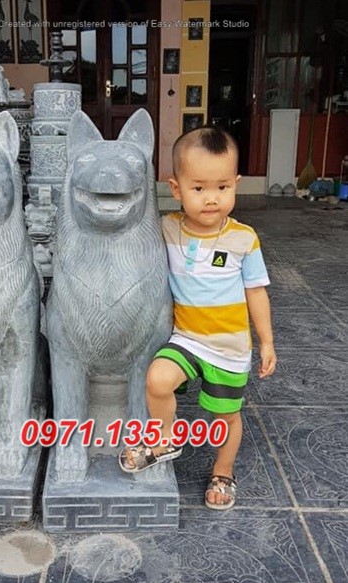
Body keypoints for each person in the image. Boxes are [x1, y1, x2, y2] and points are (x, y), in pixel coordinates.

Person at [119, 126, 277, 510]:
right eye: (199, 188)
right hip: (187, 338)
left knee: (225, 416)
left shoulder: (244, 239)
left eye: (222, 187)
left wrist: (267, 341)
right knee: (157, 380)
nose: (212, 198)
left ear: (236, 183)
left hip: (228, 348)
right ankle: (164, 440)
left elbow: (256, 292)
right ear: (176, 189)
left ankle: (223, 470)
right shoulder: (168, 228)